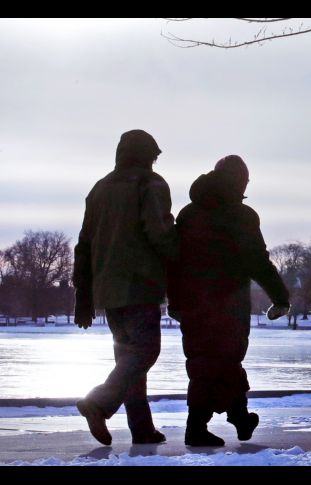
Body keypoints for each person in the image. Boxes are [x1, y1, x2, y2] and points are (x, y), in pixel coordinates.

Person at [168, 155, 290, 447]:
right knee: (225, 361)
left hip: (193, 303)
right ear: (239, 181)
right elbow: (257, 261)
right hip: (228, 304)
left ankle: (237, 418)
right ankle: (205, 426)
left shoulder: (188, 214)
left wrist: (175, 300)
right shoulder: (241, 216)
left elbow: (173, 261)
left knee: (204, 363)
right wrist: (280, 297)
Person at [73, 129, 177, 446]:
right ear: (149, 156)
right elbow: (160, 234)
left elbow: (84, 245)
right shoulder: (150, 184)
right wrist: (182, 264)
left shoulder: (100, 188)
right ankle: (99, 402)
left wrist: (84, 294)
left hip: (107, 289)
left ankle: (142, 428)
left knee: (129, 358)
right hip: (140, 284)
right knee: (145, 350)